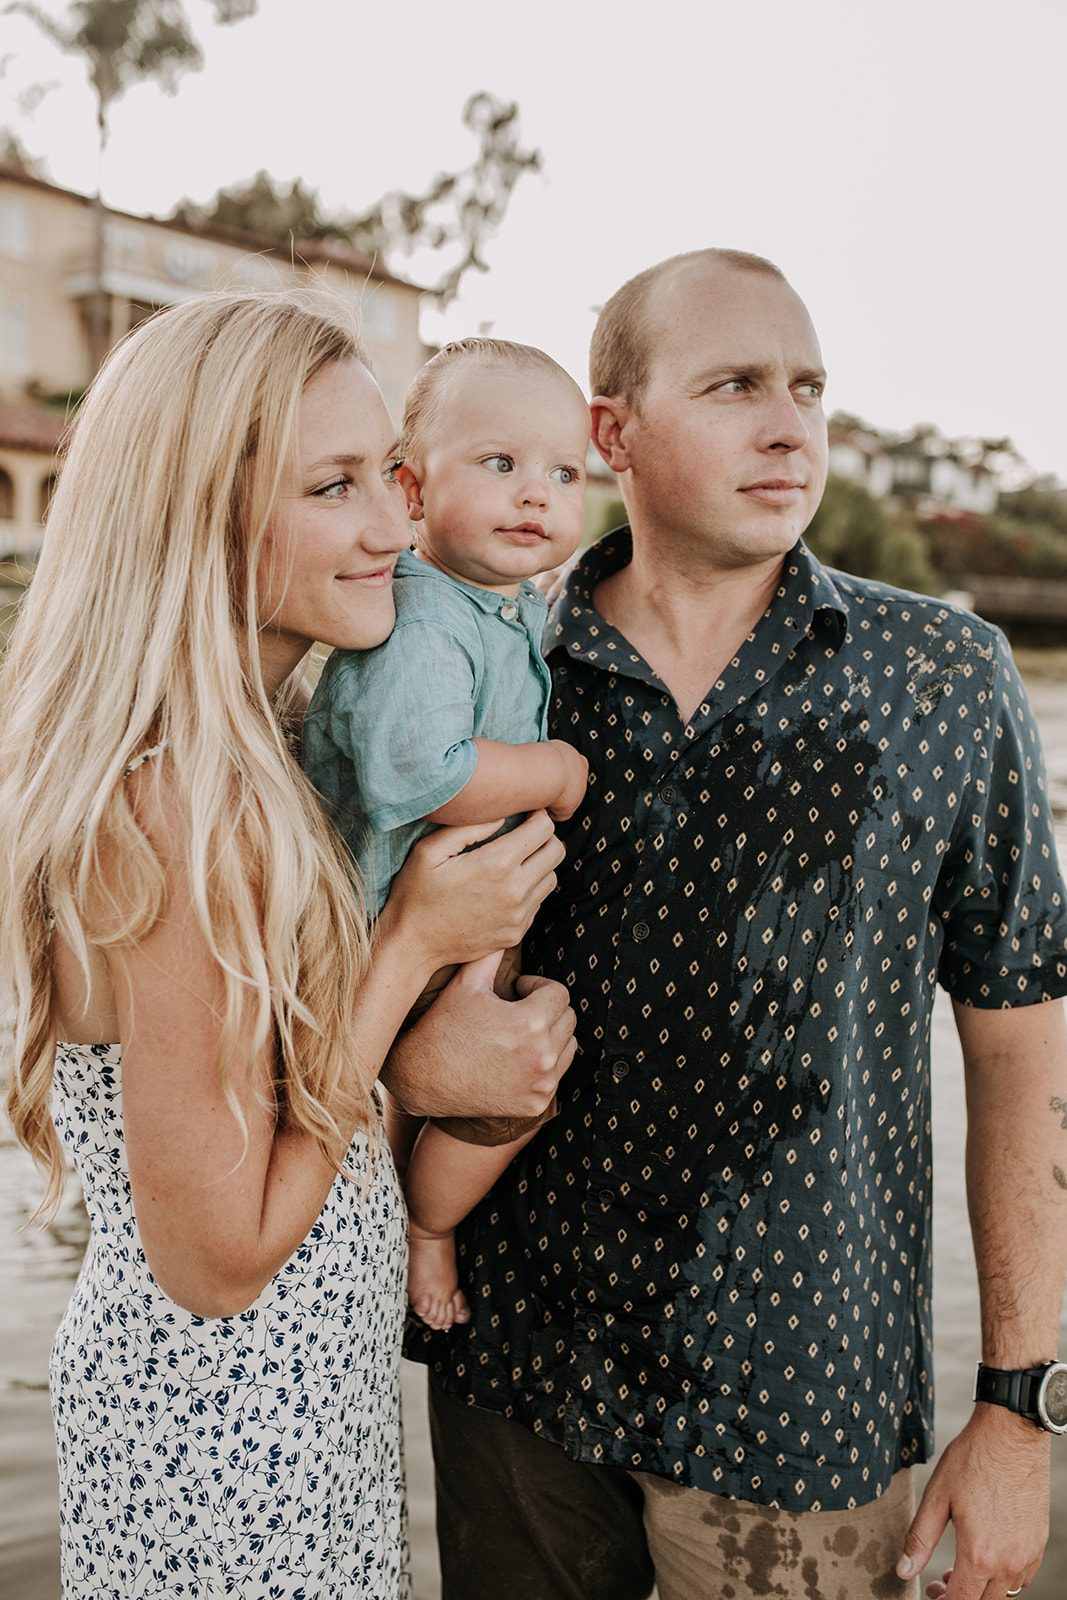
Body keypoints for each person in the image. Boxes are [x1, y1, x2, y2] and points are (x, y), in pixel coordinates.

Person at [402, 250, 1067, 1600]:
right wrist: (412, 1075)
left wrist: (1016, 1404)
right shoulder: (486, 668)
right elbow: (338, 973)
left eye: (806, 388)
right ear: (611, 432)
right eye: (733, 386)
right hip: (516, 1372)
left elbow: (1021, 1055)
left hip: (797, 1402)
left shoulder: (940, 677)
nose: (788, 424)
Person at [0, 288, 575, 1599]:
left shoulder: (258, 756)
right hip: (219, 1447)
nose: (393, 523)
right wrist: (410, 945)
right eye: (333, 487)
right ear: (196, 512)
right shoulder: (176, 806)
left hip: (296, 1408)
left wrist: (418, 1070)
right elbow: (215, 1262)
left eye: (387, 471)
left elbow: (263, 1100)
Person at [303, 337, 590, 1332]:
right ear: (414, 493)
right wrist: (551, 772)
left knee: (512, 1070)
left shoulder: (496, 604)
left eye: (564, 473)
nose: (535, 495)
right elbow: (416, 770)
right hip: (391, 920)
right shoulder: (425, 621)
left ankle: (408, 1213)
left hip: (452, 920)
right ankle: (417, 1230)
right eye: (498, 463)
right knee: (456, 1096)